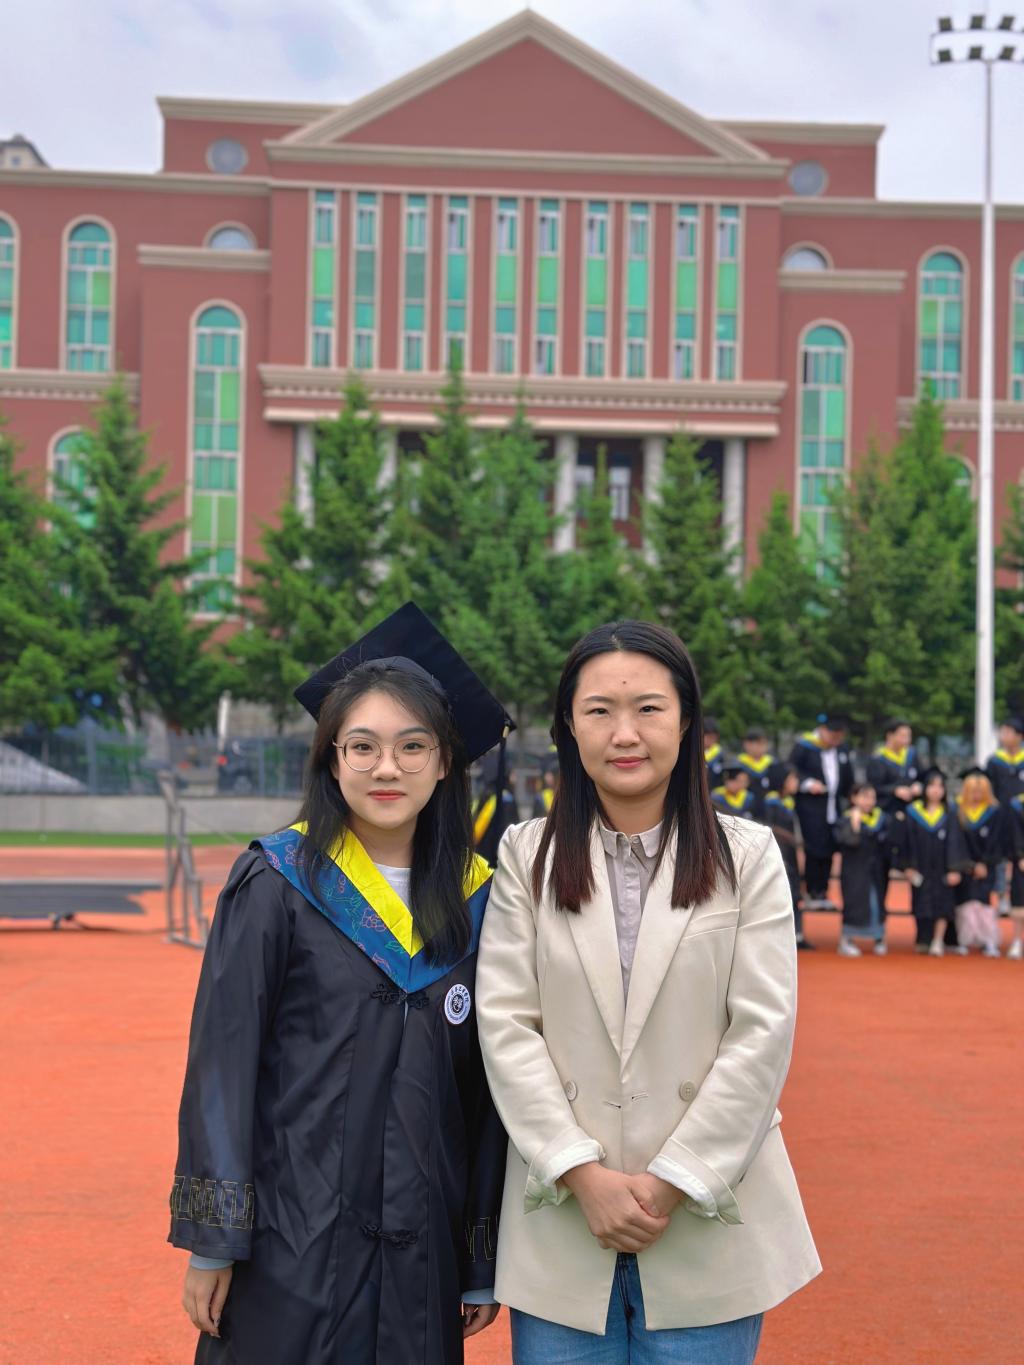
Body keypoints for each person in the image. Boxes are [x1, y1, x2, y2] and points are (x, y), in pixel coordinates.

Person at [169, 603, 509, 1364]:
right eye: (363, 746)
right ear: (332, 759)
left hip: (423, 1249)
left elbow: (488, 1097)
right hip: (289, 1240)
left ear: (445, 761)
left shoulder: (481, 900)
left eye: (412, 745)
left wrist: (479, 1254)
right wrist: (214, 1239)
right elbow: (223, 1065)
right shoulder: (276, 882)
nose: (387, 768)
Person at [476, 620, 820, 1364]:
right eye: (599, 710)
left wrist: (674, 1180)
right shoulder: (526, 856)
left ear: (686, 720)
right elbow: (506, 1025)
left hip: (706, 1215)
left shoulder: (747, 855)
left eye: (648, 708)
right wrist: (580, 1172)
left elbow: (761, 1032)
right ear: (569, 725)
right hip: (565, 1219)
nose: (624, 733)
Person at [891, 768, 969, 958]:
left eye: (940, 786)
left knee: (943, 902)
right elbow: (905, 841)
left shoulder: (949, 812)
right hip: (921, 866)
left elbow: (956, 842)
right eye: (932, 786)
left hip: (943, 866)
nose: (936, 790)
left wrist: (955, 868)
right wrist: (907, 866)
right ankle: (924, 938)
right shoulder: (913, 812)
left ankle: (938, 940)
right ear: (925, 788)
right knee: (921, 902)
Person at [789, 712, 854, 910]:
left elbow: (848, 778)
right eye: (832, 734)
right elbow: (791, 771)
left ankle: (823, 891)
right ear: (822, 730)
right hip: (811, 807)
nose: (836, 739)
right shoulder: (804, 747)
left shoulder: (841, 750)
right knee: (814, 848)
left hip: (834, 807)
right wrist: (808, 784)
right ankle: (812, 890)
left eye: (839, 736)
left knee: (830, 847)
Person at [866, 719, 922, 910]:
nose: (907, 740)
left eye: (909, 735)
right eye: (903, 735)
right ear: (890, 735)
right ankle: (879, 913)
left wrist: (918, 787)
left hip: (911, 819)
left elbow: (923, 777)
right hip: (887, 819)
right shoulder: (878, 759)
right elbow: (874, 788)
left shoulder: (912, 756)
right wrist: (895, 791)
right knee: (881, 868)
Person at [954, 768, 1006, 958]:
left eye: (980, 791)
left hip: (987, 866)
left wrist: (985, 863)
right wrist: (968, 864)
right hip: (965, 865)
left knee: (984, 903)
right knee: (965, 903)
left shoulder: (994, 812)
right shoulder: (958, 811)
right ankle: (965, 940)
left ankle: (989, 940)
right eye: (973, 791)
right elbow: (957, 841)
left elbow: (997, 841)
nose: (976, 795)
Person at [834, 782, 889, 957]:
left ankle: (879, 938)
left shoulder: (881, 819)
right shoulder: (844, 820)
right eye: (864, 796)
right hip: (854, 871)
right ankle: (846, 940)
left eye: (872, 797)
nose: (869, 801)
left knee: (876, 903)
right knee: (854, 904)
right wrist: (855, 824)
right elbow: (849, 842)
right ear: (853, 798)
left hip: (876, 871)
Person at [763, 766, 813, 950]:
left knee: (795, 893)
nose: (796, 783)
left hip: (791, 854)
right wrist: (793, 839)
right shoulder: (771, 802)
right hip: (780, 853)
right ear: (782, 781)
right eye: (792, 779)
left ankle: (797, 935)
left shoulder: (788, 801)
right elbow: (770, 827)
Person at [985, 717, 1024, 912]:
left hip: (1022, 820)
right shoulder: (994, 761)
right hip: (1001, 817)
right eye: (1003, 732)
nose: (1004, 736)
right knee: (1000, 858)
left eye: (1008, 732)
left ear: (1019, 736)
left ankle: (1018, 897)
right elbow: (988, 789)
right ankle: (1001, 897)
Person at [737, 728, 783, 818]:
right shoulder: (738, 764)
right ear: (747, 744)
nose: (762, 747)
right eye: (758, 743)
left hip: (768, 811)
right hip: (746, 810)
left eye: (764, 743)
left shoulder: (772, 763)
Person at [1008, 791, 1024, 960]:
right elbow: (1015, 833)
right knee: (1020, 904)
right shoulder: (1018, 805)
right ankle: (1017, 941)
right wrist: (1020, 855)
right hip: (1022, 862)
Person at [703, 716, 725, 788]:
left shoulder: (721, 755)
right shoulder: (693, 754)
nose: (711, 739)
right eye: (708, 736)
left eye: (714, 737)